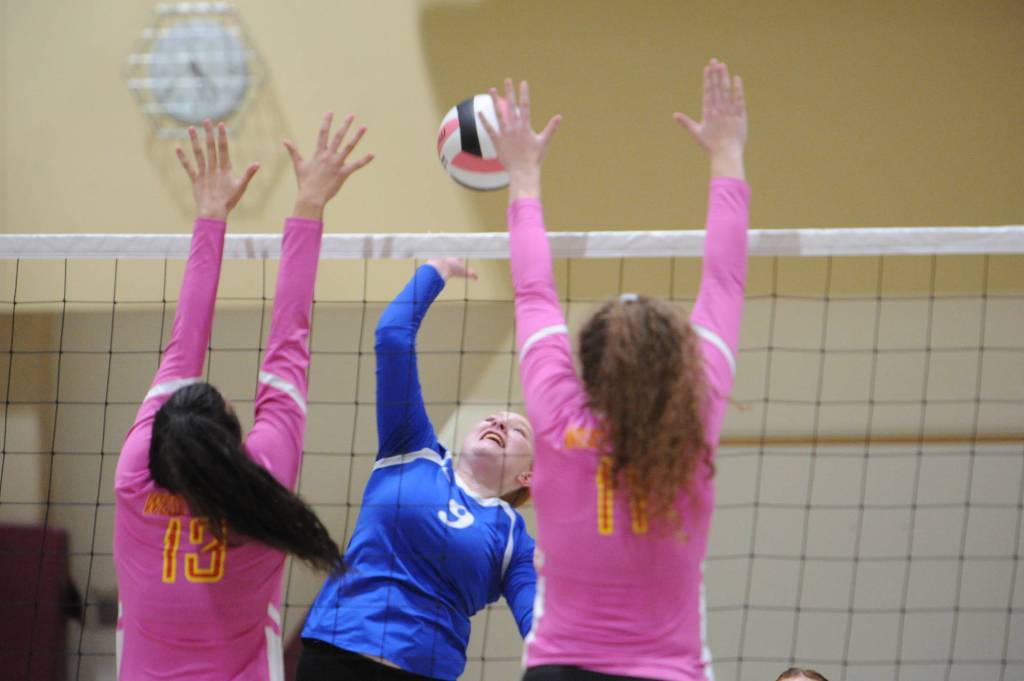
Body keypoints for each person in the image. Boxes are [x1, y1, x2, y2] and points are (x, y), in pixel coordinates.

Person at [479, 58, 750, 681]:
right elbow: (726, 281)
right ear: (678, 363)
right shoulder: (696, 416)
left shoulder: (555, 412)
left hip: (559, 671)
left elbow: (533, 293)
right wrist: (727, 156)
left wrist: (522, 177)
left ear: (587, 366)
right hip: (667, 672)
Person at [113, 113, 373, 680]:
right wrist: (301, 206)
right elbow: (277, 342)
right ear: (231, 435)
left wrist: (287, 207)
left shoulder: (136, 475)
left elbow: (200, 348)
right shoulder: (262, 487)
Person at [298, 258, 537, 680]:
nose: (499, 423)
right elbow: (392, 337)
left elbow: (537, 626)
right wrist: (435, 270)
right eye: (491, 418)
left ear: (528, 476)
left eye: (517, 430)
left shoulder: (513, 538)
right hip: (336, 655)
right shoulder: (412, 449)